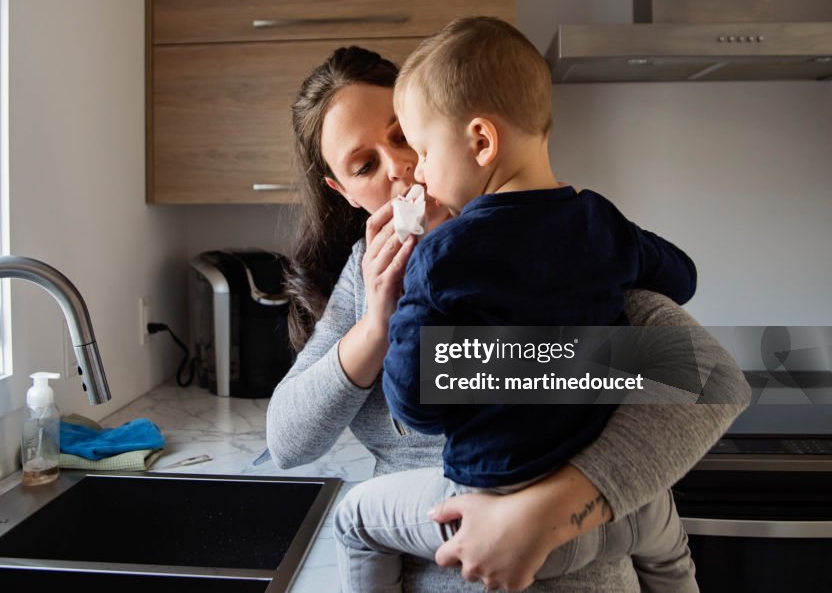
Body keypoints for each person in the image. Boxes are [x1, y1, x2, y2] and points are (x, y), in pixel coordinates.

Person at [266, 45, 750, 592]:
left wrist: (539, 513)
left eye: (404, 137)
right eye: (364, 165)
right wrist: (375, 326)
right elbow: (287, 441)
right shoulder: (360, 280)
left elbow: (706, 377)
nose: (401, 167)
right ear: (344, 192)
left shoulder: (549, 243)